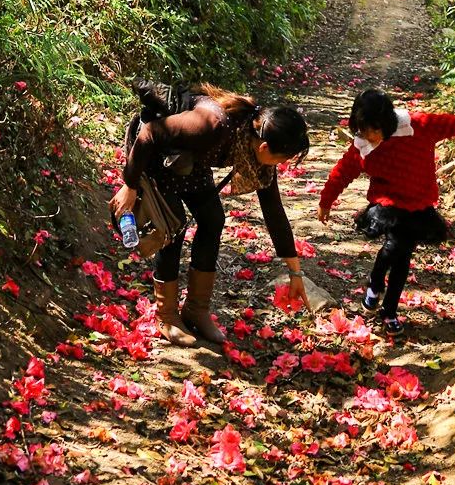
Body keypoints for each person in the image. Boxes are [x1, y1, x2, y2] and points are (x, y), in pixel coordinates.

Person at [111, 81, 311, 345]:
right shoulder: (212, 125)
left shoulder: (255, 149)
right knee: (174, 227)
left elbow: (273, 210)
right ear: (265, 148)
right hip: (156, 154)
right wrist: (130, 185)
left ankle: (196, 309)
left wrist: (295, 273)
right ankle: (166, 315)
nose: (281, 166)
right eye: (283, 159)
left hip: (191, 162)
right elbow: (150, 133)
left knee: (213, 219)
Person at [317, 88, 455, 333]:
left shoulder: (418, 126)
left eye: (374, 129)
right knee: (395, 247)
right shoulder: (362, 146)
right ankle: (377, 284)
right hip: (388, 205)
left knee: (402, 259)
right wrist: (325, 202)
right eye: (363, 130)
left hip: (419, 205)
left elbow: (451, 123)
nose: (369, 136)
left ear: (387, 122)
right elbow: (342, 173)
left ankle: (387, 308)